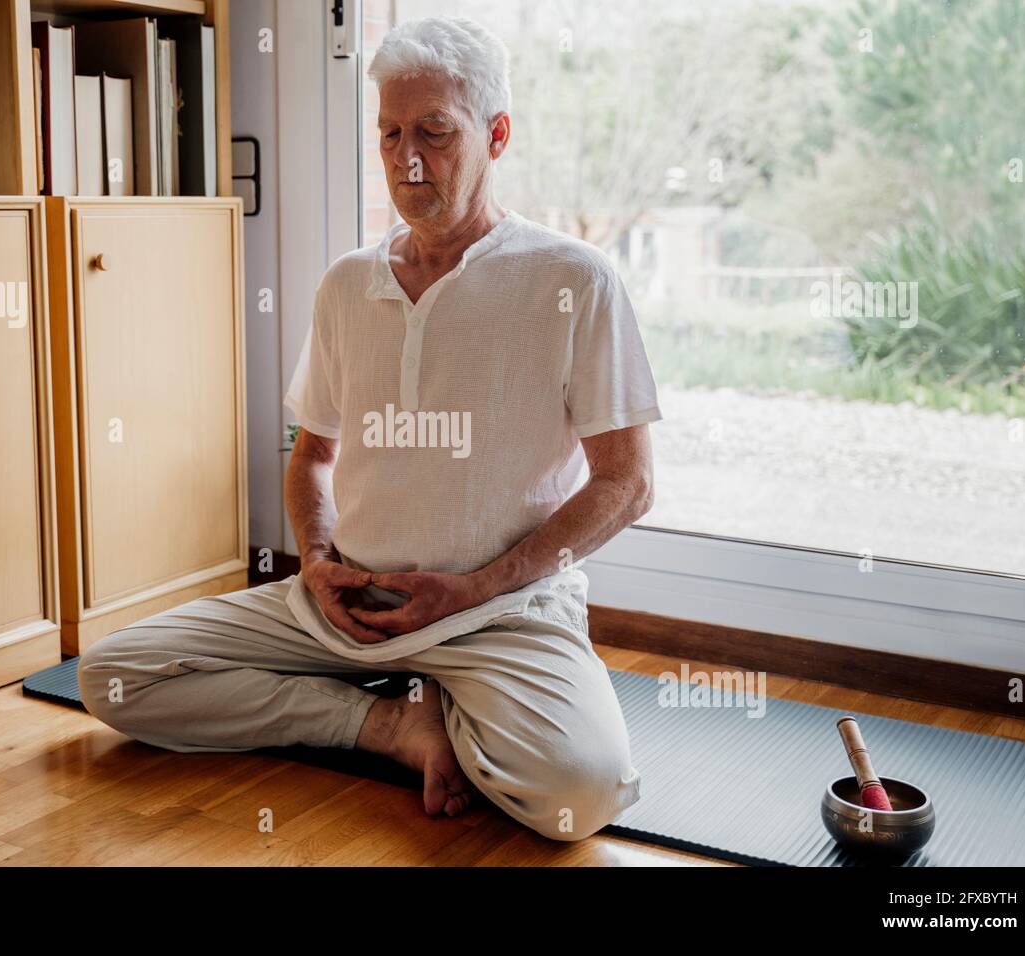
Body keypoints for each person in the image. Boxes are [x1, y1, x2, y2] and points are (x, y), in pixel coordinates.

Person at [79, 16, 662, 842]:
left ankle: (446, 688)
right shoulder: (348, 285)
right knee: (115, 678)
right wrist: (317, 563)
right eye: (389, 133)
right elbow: (312, 455)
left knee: (584, 795)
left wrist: (476, 587)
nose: (406, 159)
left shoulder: (573, 279)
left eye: (434, 132)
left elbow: (627, 482)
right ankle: (394, 726)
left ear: (497, 135)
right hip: (350, 604)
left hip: (500, 614)